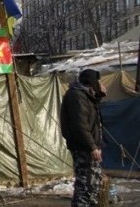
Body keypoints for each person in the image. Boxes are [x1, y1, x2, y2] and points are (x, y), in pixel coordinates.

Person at [60, 69, 107, 207]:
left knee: (93, 185)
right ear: (90, 81)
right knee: (85, 186)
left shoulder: (83, 94)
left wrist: (99, 95)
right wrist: (92, 146)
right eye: (97, 81)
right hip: (83, 147)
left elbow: (90, 114)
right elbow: (80, 125)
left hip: (89, 146)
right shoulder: (76, 96)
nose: (99, 83)